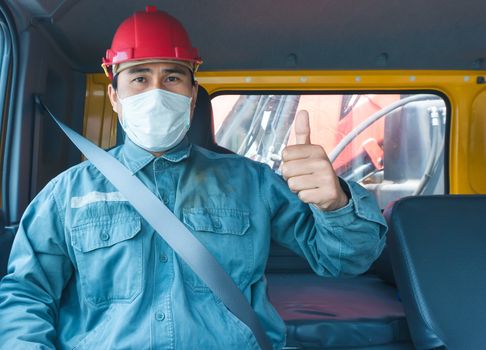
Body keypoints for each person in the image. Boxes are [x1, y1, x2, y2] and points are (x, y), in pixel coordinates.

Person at [0, 6, 387, 349]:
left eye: (172, 78)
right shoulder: (67, 194)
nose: (156, 92)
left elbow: (345, 261)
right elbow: (27, 293)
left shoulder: (251, 182)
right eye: (138, 77)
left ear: (192, 93)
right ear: (115, 97)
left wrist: (335, 203)